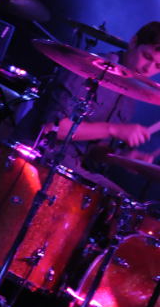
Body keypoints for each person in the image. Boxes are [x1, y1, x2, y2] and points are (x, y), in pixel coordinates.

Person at [36, 21, 160, 196]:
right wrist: (114, 129)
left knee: (124, 204)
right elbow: (53, 129)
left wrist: (124, 159)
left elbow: (92, 150)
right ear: (133, 42)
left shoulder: (133, 92)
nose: (148, 68)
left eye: (158, 66)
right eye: (147, 56)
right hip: (42, 156)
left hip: (76, 167)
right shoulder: (88, 68)